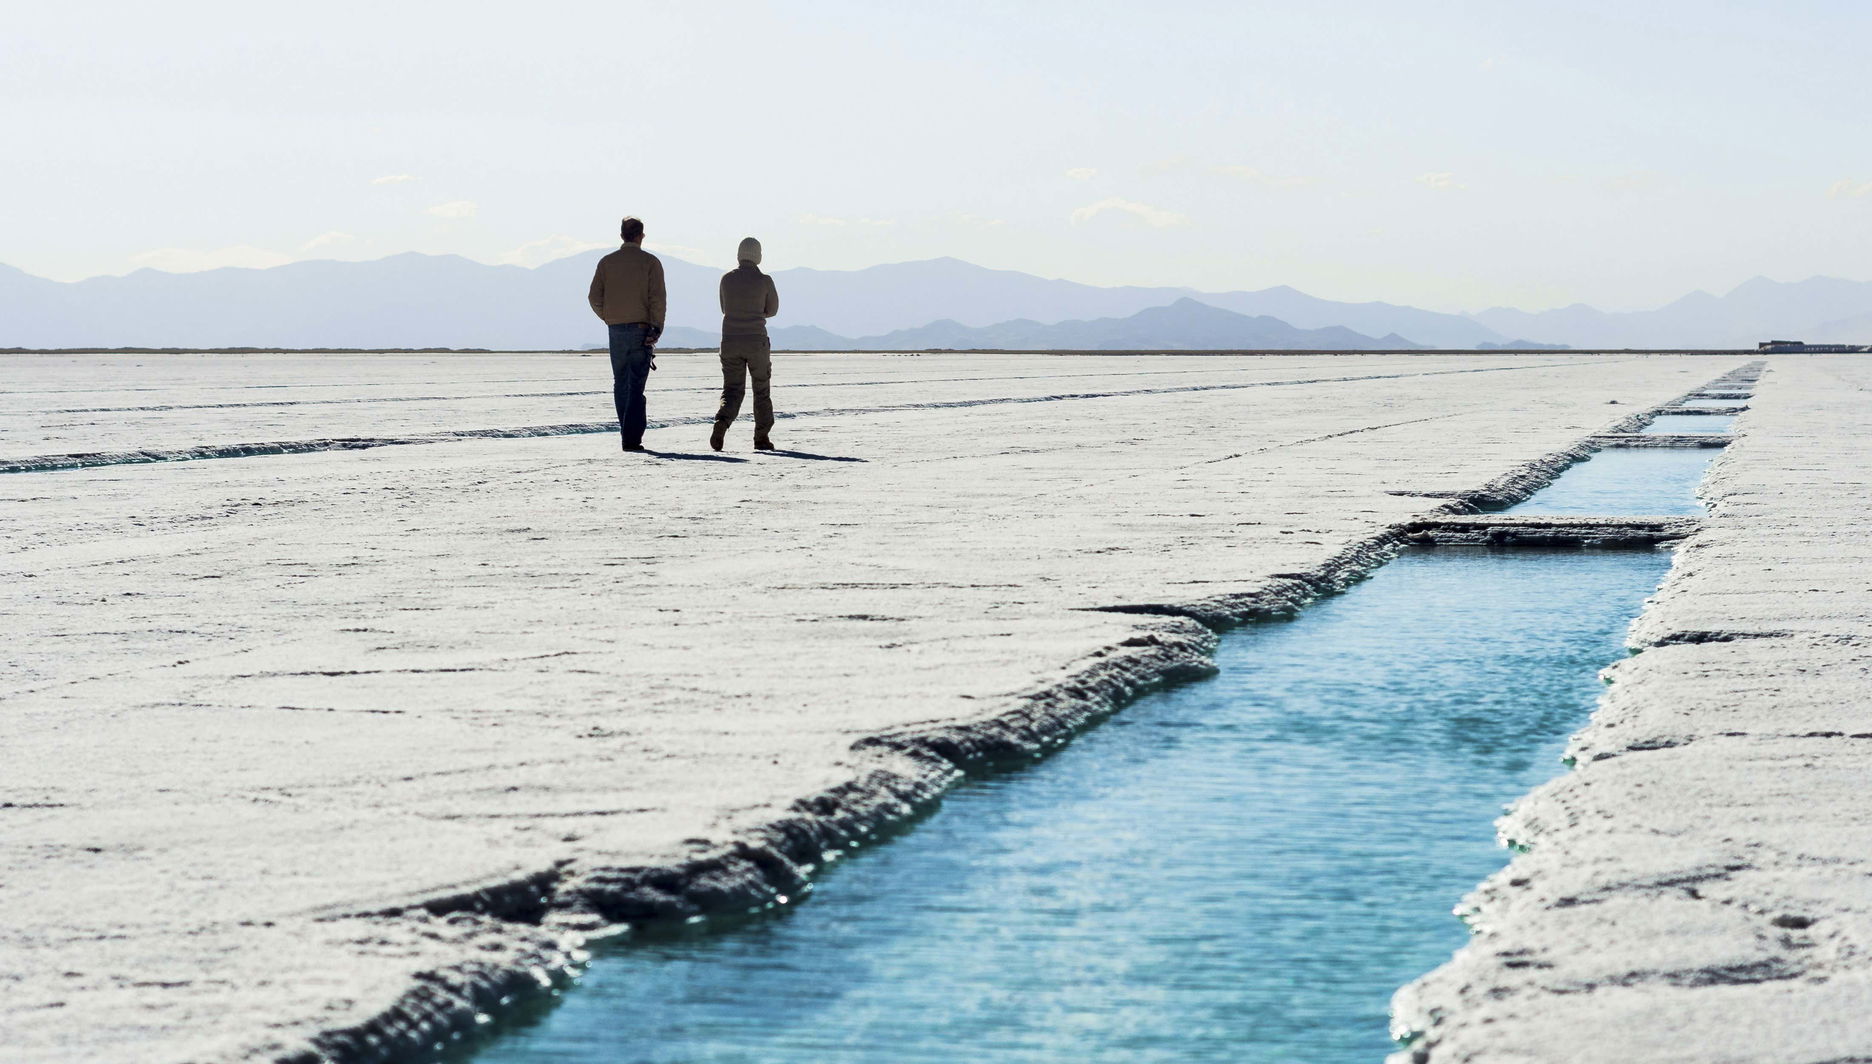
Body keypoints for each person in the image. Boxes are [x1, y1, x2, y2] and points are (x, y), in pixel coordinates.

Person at [587, 216, 666, 452]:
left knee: (621, 383)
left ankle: (626, 433)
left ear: (622, 235)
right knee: (636, 385)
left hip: (616, 330)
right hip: (641, 330)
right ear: (641, 235)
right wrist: (656, 327)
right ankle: (631, 439)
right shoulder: (650, 262)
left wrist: (609, 316)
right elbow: (657, 299)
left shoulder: (607, 262)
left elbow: (594, 297)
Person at [711, 237, 780, 451]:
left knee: (732, 389)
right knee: (761, 390)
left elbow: (724, 308)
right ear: (758, 256)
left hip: (730, 340)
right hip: (756, 341)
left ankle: (722, 423)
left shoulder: (726, 279)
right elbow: (773, 310)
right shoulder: (765, 281)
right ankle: (761, 438)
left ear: (739, 255)